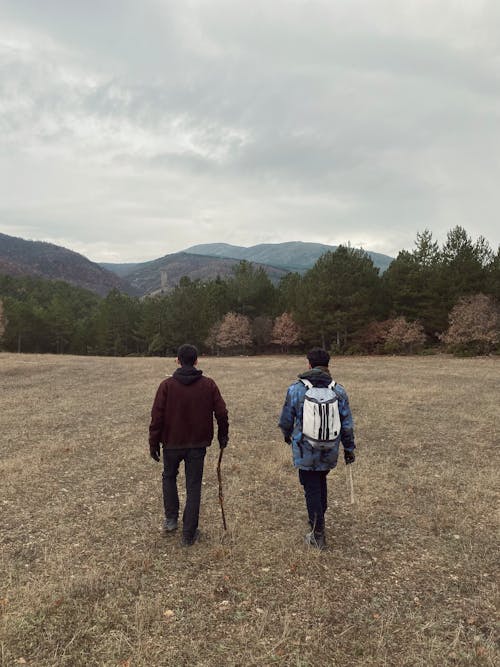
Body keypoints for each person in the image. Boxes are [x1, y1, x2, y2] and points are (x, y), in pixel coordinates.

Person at [149, 344, 229, 546]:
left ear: (177, 360)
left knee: (169, 477)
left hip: (171, 443)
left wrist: (153, 442)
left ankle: (171, 520)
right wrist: (223, 435)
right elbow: (222, 413)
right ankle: (188, 533)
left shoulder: (166, 386)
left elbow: (156, 417)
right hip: (197, 444)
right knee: (193, 486)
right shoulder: (208, 385)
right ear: (196, 361)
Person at [278, 347, 355, 550]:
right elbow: (347, 424)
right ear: (328, 365)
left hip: (304, 450)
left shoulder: (296, 390)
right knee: (320, 482)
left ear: (309, 364)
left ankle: (317, 532)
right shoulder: (338, 391)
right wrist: (349, 448)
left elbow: (286, 419)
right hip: (330, 449)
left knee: (311, 487)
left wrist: (287, 435)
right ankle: (317, 519)